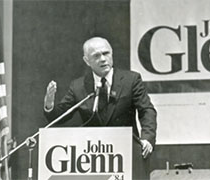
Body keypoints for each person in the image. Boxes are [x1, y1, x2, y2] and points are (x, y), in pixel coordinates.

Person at [43, 37, 157, 179]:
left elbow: (147, 110)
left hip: (126, 153)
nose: (103, 59)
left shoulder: (131, 80)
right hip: (94, 159)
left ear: (112, 53)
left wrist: (147, 138)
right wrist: (49, 103)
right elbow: (58, 117)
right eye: (96, 56)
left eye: (106, 53)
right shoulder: (78, 86)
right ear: (86, 61)